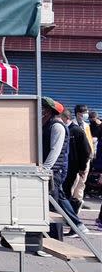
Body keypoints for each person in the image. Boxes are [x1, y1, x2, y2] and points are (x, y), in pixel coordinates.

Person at [41, 97, 88, 236]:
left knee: (54, 204)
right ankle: (77, 224)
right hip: (51, 170)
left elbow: (55, 151)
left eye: (43, 108)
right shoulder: (46, 124)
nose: (40, 111)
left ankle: (57, 237)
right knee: (59, 199)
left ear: (48, 111)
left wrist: (45, 169)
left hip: (54, 171)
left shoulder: (56, 126)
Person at [63, 109, 92, 214]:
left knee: (77, 187)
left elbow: (86, 149)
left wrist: (83, 168)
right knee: (71, 188)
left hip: (79, 164)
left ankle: (74, 210)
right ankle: (72, 211)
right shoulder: (69, 128)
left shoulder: (81, 128)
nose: (85, 114)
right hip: (74, 164)